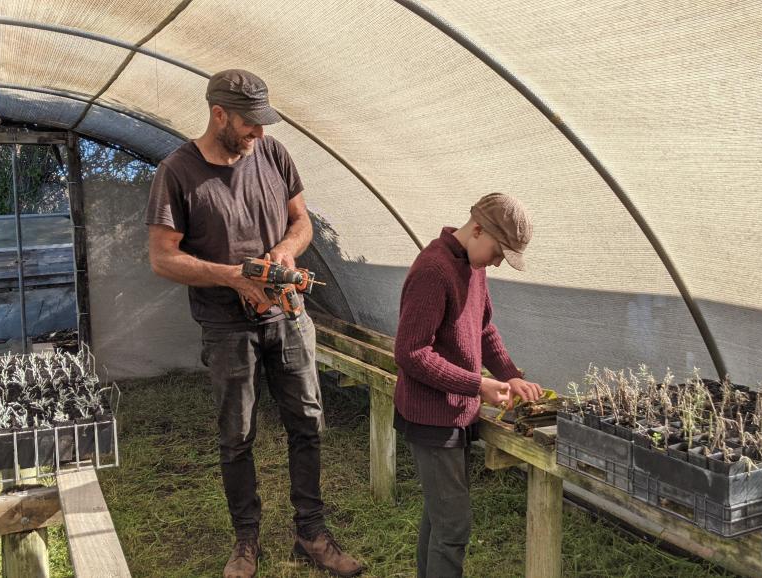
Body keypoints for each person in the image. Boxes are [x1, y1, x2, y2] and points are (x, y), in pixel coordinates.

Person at [145, 69, 362, 578]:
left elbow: (301, 221)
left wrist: (283, 253)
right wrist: (234, 277)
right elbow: (162, 258)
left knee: (307, 423)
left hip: (287, 315)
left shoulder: (273, 154)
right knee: (237, 434)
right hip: (226, 327)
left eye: (264, 124)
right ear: (219, 114)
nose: (259, 134)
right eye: (250, 124)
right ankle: (247, 541)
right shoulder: (176, 172)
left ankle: (312, 532)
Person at [393, 193, 543, 577]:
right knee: (453, 526)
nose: (497, 262)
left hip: (455, 414)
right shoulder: (434, 271)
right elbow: (411, 354)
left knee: (439, 517)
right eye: (498, 252)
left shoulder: (472, 268)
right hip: (431, 418)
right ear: (477, 229)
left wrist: (509, 374)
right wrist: (478, 385)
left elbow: (484, 328)